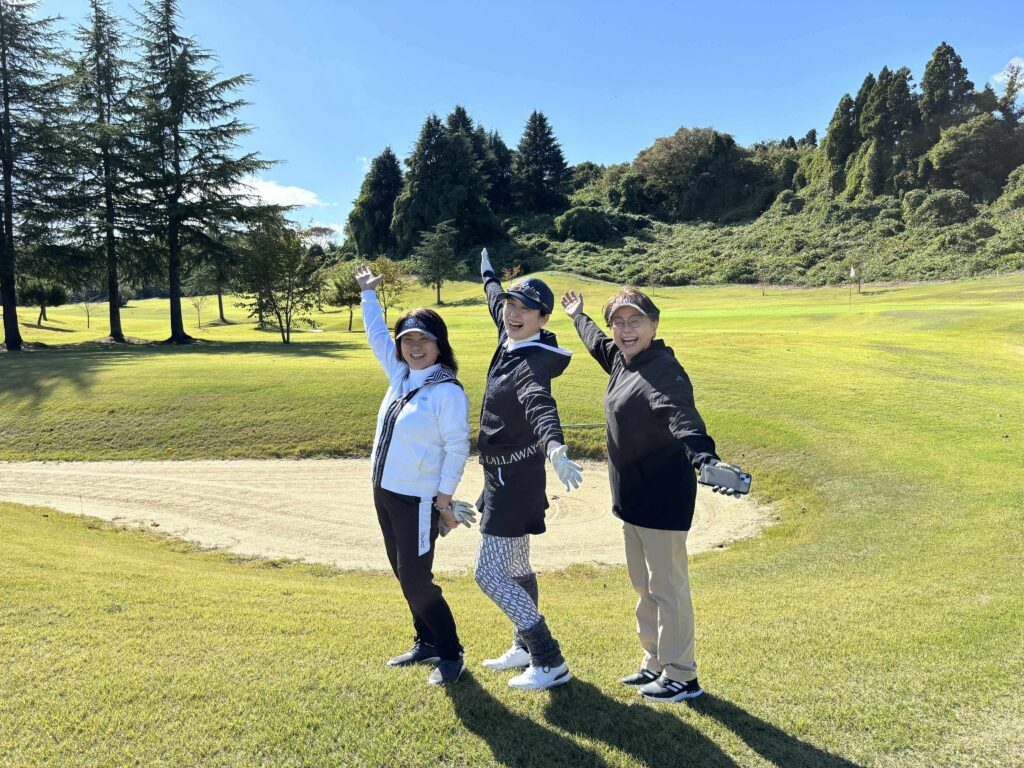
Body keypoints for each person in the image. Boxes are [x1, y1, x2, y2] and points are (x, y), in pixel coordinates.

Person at [561, 286, 744, 703]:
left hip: (662, 501)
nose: (625, 330)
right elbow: (597, 343)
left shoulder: (664, 371)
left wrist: (704, 457)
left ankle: (682, 675)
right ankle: (655, 661)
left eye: (635, 321)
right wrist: (578, 316)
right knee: (645, 588)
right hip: (633, 501)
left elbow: (683, 418)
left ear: (654, 325)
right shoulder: (622, 360)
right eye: (618, 322)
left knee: (668, 589)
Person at [357, 264, 475, 686]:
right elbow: (376, 336)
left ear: (439, 344)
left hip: (419, 499)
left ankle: (450, 652)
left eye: (424, 339)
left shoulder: (447, 391)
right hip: (385, 492)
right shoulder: (401, 375)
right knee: (403, 573)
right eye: (407, 339)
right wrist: (368, 294)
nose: (415, 346)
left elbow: (458, 448)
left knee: (416, 579)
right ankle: (426, 641)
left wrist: (444, 501)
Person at [474, 248, 583, 691]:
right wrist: (488, 275)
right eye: (511, 305)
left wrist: (555, 448)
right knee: (518, 566)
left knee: (488, 575)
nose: (512, 313)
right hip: (502, 477)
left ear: (543, 319)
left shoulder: (531, 361)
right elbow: (494, 300)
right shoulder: (509, 334)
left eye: (524, 309)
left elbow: (540, 405)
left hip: (515, 482)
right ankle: (522, 646)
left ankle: (548, 659)